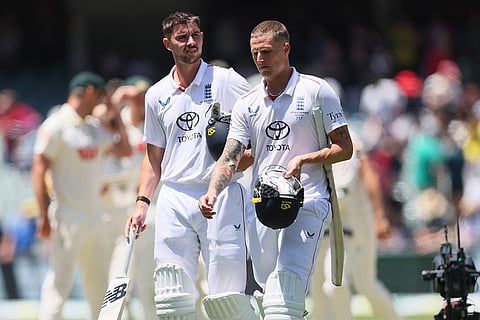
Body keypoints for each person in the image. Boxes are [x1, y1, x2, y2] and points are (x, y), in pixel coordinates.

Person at [198, 20, 353, 319]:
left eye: (266, 52)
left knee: (286, 290)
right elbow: (231, 158)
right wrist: (212, 191)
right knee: (267, 287)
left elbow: (345, 148)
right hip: (263, 203)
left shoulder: (318, 91)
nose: (260, 59)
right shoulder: (246, 104)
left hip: (309, 199)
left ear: (286, 49)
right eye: (255, 52)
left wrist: (304, 160)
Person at [124, 12, 256, 320]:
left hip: (220, 195)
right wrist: (142, 203)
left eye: (196, 35)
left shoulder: (224, 80)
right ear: (167, 44)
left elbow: (259, 120)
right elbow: (153, 157)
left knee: (227, 300)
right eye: (183, 38)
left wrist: (242, 160)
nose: (191, 42)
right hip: (173, 197)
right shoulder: (156, 95)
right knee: (173, 299)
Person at [31, 70, 132, 320]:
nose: (100, 103)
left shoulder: (93, 128)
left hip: (95, 217)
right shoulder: (56, 125)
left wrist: (115, 111)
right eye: (99, 97)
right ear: (88, 92)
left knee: (98, 287)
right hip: (67, 217)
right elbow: (38, 168)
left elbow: (124, 149)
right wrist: (43, 214)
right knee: (59, 284)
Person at [309, 129, 402, 320]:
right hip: (322, 221)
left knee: (361, 283)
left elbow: (369, 176)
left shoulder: (347, 135)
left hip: (354, 222)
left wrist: (379, 217)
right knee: (317, 287)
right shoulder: (305, 134)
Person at [95, 75, 157, 320]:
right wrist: (116, 100)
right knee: (119, 283)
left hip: (148, 214)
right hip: (115, 214)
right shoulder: (115, 124)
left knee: (149, 283)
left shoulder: (155, 126)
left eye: (144, 97)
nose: (141, 103)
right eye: (136, 98)